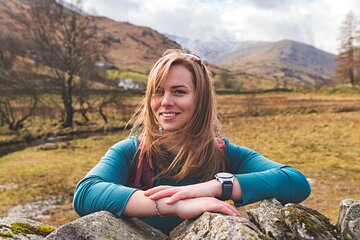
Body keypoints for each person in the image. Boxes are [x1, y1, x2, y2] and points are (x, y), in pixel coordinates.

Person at [73, 49, 311, 235]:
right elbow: (86, 192)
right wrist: (174, 204)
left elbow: (296, 182)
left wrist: (215, 187)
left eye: (179, 92)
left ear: (201, 100)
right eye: (158, 91)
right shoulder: (131, 152)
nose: (165, 101)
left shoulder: (225, 154)